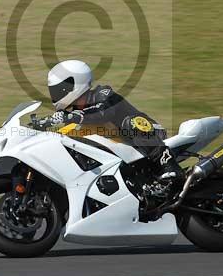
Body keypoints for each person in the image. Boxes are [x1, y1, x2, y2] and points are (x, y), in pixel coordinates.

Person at [39, 59, 184, 184]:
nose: (55, 94)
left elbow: (103, 112)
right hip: (122, 155)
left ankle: (169, 166)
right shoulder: (71, 114)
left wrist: (72, 117)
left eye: (58, 89)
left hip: (149, 136)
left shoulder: (103, 94)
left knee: (133, 122)